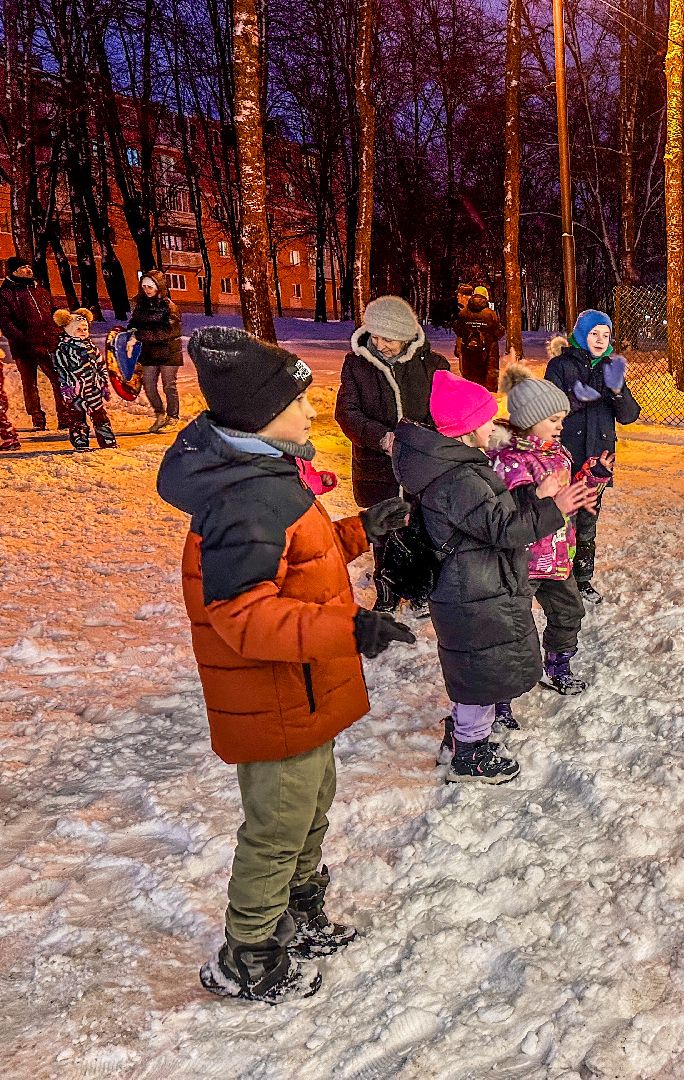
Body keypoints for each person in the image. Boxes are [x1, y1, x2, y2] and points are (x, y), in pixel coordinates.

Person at [157, 327, 416, 1003]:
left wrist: (363, 528)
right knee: (276, 829)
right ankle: (247, 954)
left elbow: (299, 558)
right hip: (274, 698)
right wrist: (352, 628)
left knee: (310, 808)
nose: (311, 414)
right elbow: (243, 616)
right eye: (300, 403)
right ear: (261, 415)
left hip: (301, 691)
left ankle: (297, 914)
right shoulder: (244, 501)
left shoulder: (266, 475)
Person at [391, 370, 597, 784]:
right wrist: (554, 507)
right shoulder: (460, 478)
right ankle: (470, 751)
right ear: (467, 427)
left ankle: (463, 735)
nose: (493, 426)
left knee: (478, 667)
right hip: (471, 587)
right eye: (485, 420)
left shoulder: (457, 467)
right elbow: (504, 528)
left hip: (474, 583)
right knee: (480, 671)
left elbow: (494, 514)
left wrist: (534, 497)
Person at [486, 363, 613, 731]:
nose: (560, 426)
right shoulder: (508, 461)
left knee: (570, 613)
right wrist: (534, 494)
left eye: (561, 419)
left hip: (558, 557)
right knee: (513, 631)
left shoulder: (558, 454)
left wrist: (593, 476)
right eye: (554, 420)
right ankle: (500, 700)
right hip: (522, 562)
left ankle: (557, 665)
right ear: (529, 421)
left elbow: (572, 493)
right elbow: (506, 510)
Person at [335, 295, 450, 614]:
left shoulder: (434, 365)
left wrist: (419, 441)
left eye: (388, 338)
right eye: (375, 335)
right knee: (384, 528)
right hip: (377, 466)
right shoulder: (357, 365)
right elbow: (347, 411)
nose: (379, 343)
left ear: (405, 336)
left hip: (420, 466)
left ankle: (419, 588)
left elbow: (445, 415)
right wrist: (380, 437)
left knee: (420, 526)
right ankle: (386, 589)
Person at [543, 309, 639, 604]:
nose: (600, 340)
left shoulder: (610, 367)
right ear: (581, 334)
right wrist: (575, 399)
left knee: (587, 520)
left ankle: (582, 578)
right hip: (565, 457)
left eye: (606, 334)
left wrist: (617, 389)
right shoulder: (560, 365)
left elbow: (629, 416)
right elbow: (548, 409)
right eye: (594, 333)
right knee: (561, 521)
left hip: (598, 459)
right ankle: (559, 578)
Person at [0, 256, 69, 431]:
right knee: (30, 384)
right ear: (14, 271)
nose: (28, 270)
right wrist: (22, 339)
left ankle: (65, 416)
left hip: (48, 343)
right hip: (24, 346)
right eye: (23, 267)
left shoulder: (41, 291)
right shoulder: (6, 293)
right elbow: (6, 322)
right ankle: (37, 417)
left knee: (58, 379)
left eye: (28, 266)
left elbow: (53, 313)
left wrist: (59, 330)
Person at [51, 308, 115, 451]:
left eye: (85, 328)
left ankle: (107, 440)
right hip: (75, 391)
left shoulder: (91, 347)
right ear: (68, 329)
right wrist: (67, 386)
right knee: (77, 417)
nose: (82, 331)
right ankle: (80, 440)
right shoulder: (63, 349)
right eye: (78, 329)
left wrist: (103, 383)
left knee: (100, 415)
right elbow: (61, 369)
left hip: (93, 389)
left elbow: (100, 365)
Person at [127, 272, 184, 432]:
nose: (147, 289)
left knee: (169, 386)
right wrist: (130, 331)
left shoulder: (169, 306)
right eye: (144, 286)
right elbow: (134, 323)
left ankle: (173, 418)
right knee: (149, 385)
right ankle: (160, 414)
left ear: (158, 287)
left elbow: (169, 331)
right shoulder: (141, 306)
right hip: (150, 352)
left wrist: (140, 335)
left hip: (169, 352)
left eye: (150, 286)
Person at [452, 283, 505, 390]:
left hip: (469, 359)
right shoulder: (490, 314)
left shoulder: (463, 313)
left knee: (470, 388)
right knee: (487, 389)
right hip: (488, 358)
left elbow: (458, 330)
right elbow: (499, 332)